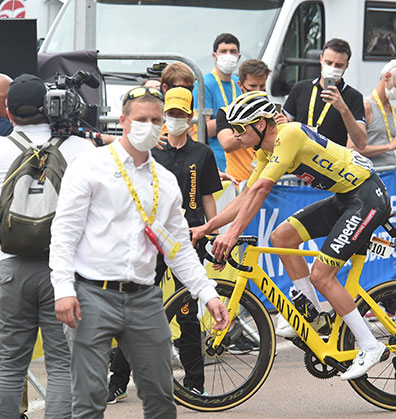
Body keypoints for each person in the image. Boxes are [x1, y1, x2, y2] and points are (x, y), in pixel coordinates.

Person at [49, 86, 229, 418]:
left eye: (155, 119)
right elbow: (64, 232)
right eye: (141, 119)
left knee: (161, 397)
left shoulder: (164, 180)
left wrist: (208, 293)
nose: (150, 125)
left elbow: (177, 246)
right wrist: (63, 290)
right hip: (92, 294)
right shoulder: (90, 165)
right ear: (124, 121)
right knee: (88, 399)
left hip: (145, 298)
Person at [192, 92, 391, 380]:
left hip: (368, 198)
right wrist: (208, 228)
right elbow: (246, 194)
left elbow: (261, 191)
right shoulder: (264, 151)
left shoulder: (290, 135)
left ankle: (370, 345)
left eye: (240, 129)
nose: (236, 136)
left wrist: (232, 234)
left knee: (322, 275)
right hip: (345, 198)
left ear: (261, 124)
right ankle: (311, 312)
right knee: (282, 237)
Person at [105, 87, 225, 402]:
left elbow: (208, 197)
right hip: (150, 241)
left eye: (180, 114)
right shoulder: (151, 150)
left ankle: (195, 383)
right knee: (134, 310)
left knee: (187, 314)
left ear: (190, 116)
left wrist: (213, 236)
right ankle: (117, 382)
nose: (174, 120)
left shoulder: (203, 153)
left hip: (189, 240)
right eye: (169, 114)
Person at [0, 74, 94, 419]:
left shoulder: (0, 149)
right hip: (65, 273)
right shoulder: (82, 149)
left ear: (8, 114)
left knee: (8, 363)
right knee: (62, 364)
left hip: (9, 266)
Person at [282, 38, 367, 148]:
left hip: (330, 162)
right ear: (321, 59)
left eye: (338, 65)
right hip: (299, 157)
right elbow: (284, 122)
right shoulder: (301, 88)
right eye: (329, 63)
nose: (332, 68)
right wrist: (283, 122)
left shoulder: (353, 96)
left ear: (346, 65)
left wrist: (343, 109)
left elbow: (361, 143)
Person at [216, 59, 287, 183]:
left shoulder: (272, 110)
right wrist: (252, 131)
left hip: (268, 183)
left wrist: (283, 128)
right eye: (252, 87)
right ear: (240, 85)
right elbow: (226, 144)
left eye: (262, 87)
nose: (258, 92)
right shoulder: (227, 112)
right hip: (239, 183)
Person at [350, 59, 396, 167]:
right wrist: (388, 147)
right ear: (387, 76)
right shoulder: (365, 106)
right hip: (372, 177)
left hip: (393, 174)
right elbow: (352, 148)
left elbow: (395, 154)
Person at [193, 33, 242, 171]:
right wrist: (235, 116)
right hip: (215, 162)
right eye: (223, 51)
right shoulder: (204, 84)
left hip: (240, 161)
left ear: (239, 57)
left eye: (232, 52)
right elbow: (201, 131)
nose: (228, 55)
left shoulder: (238, 83)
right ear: (215, 56)